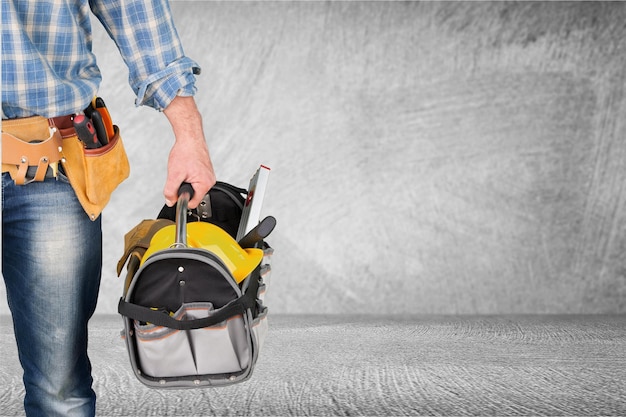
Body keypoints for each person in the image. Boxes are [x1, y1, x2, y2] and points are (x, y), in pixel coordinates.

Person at [1, 0, 216, 415]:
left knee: (59, 390)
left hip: (50, 162)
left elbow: (134, 9)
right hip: (50, 161)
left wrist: (189, 133)